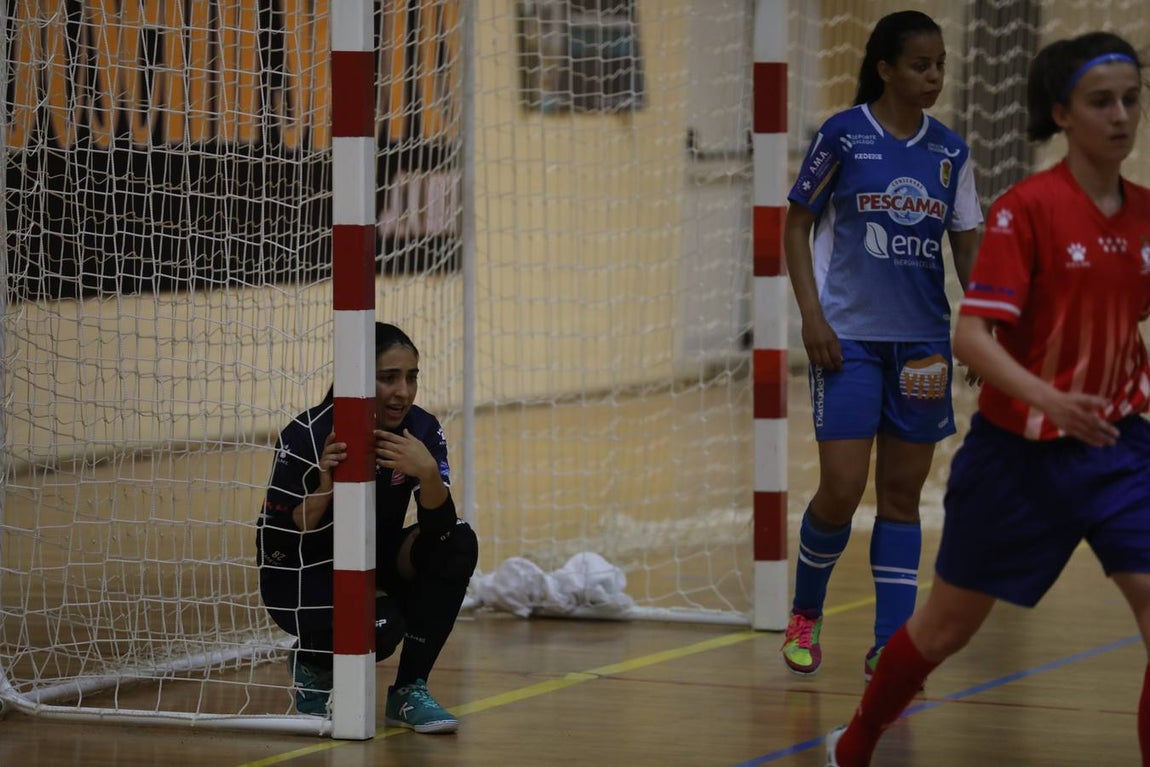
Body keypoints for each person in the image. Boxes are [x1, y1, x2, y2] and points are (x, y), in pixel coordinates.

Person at [826, 30, 1150, 767]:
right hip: (1019, 460)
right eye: (1102, 101)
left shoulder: (1146, 215)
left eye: (1133, 99)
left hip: (1121, 450)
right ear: (1062, 113)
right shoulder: (1026, 210)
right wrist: (1052, 398)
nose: (1122, 116)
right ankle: (859, 740)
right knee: (942, 629)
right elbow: (972, 337)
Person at [781, 10, 982, 680]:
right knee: (840, 489)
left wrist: (983, 331)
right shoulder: (843, 135)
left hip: (923, 348)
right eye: (921, 64)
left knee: (902, 496)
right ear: (887, 69)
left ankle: (889, 643)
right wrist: (812, 316)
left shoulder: (950, 151)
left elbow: (968, 248)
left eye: (941, 64)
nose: (934, 75)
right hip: (850, 342)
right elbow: (798, 222)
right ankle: (805, 611)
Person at [257, 322, 478, 733]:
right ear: (358, 377)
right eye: (388, 377)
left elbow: (439, 527)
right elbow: (288, 531)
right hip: (301, 572)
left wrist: (427, 472)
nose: (404, 392)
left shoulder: (423, 430)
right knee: (381, 626)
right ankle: (313, 659)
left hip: (373, 556)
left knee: (458, 543)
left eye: (411, 377)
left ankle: (409, 689)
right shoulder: (308, 433)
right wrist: (326, 487)